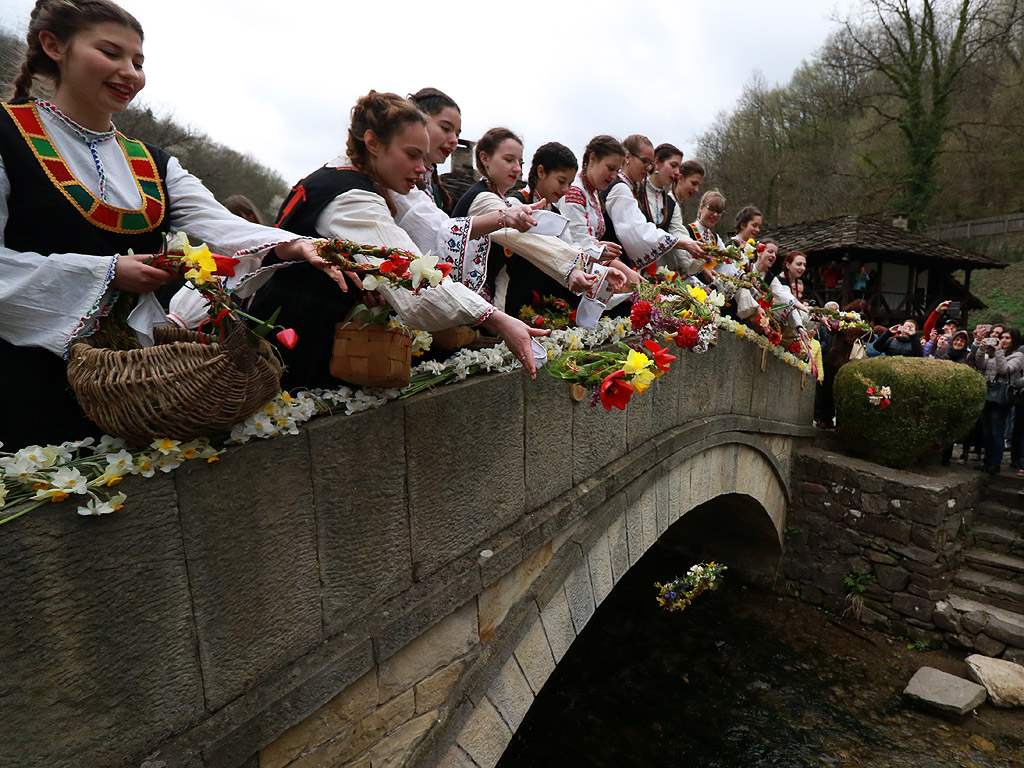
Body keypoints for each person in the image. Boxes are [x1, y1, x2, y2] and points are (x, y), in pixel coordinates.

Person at [0, 0, 335, 449]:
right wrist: (108, 272)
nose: (131, 73)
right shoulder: (6, 134)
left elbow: (218, 222)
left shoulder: (152, 161)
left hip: (137, 384)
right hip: (27, 373)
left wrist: (296, 245)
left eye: (138, 61)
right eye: (111, 53)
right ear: (53, 46)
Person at [249, 92, 550, 389]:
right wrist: (497, 319)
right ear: (373, 143)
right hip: (295, 336)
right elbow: (412, 275)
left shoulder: (345, 175)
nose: (422, 168)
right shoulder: (353, 197)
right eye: (412, 155)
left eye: (423, 156)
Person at [391, 89, 542, 292]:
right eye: (446, 129)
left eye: (520, 162)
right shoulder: (482, 196)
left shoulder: (430, 181)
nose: (453, 140)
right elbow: (437, 232)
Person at [451, 127, 616, 311]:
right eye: (508, 160)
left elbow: (566, 245)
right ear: (485, 158)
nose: (516, 168)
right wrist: (576, 264)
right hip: (477, 301)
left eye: (519, 162)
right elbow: (529, 239)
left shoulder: (500, 199)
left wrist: (592, 258)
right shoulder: (486, 198)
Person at [967, 328, 1024, 473]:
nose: (1003, 340)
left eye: (1007, 338)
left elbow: (1005, 369)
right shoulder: (992, 353)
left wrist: (998, 351)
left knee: (996, 431)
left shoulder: (1017, 355)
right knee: (986, 430)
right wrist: (982, 348)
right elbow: (980, 365)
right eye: (1002, 337)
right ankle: (987, 461)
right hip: (987, 393)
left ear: (1014, 341)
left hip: (1001, 397)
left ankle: (995, 462)